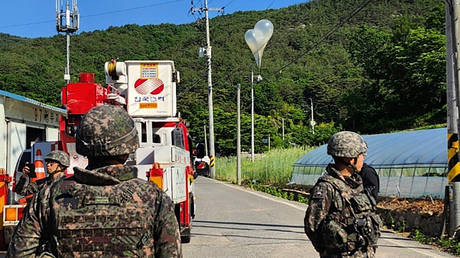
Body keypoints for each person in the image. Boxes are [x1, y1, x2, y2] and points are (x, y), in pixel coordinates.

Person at [8, 105, 182, 257]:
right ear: (129, 147)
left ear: (82, 145)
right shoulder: (154, 198)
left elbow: (19, 253)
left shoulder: (48, 196)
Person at [304, 131, 381, 258]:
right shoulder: (327, 187)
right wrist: (327, 251)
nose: (364, 157)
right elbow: (312, 225)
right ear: (349, 158)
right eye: (361, 154)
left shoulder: (356, 182)